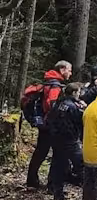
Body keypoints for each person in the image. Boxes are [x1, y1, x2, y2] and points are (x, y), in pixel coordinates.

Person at [26, 60, 72, 189]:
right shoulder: (55, 85)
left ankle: (32, 180)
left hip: (45, 124)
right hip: (50, 125)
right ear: (62, 70)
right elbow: (51, 105)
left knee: (41, 152)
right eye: (69, 70)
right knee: (57, 153)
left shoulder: (49, 81)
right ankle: (52, 184)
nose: (70, 73)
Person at [47, 82, 85, 200]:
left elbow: (50, 119)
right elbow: (81, 120)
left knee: (58, 165)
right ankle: (88, 188)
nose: (79, 94)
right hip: (70, 140)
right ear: (74, 92)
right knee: (81, 164)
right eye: (78, 92)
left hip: (57, 140)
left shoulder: (58, 104)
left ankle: (57, 193)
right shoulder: (73, 106)